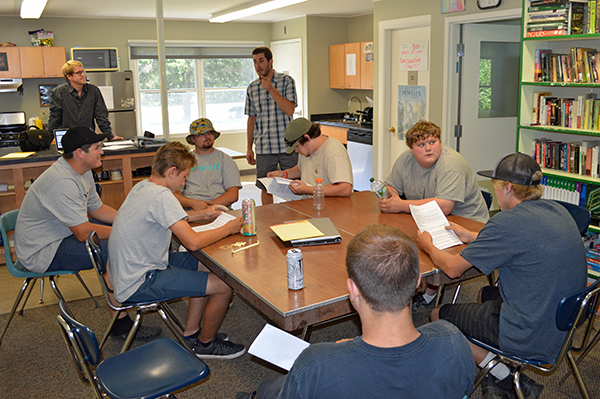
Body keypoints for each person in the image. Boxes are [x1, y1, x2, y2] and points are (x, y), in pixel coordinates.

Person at [417, 152, 587, 399]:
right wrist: (473, 236)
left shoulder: (508, 222)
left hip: (533, 331)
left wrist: (427, 244)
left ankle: (501, 374)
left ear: (508, 188)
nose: (496, 193)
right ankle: (499, 370)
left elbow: (452, 269)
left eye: (496, 187)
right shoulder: (556, 210)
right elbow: (524, 239)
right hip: (567, 319)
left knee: (437, 316)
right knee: (484, 295)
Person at [237, 225, 475, 399]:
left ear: (352, 289)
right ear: (417, 282)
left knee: (269, 390)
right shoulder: (453, 340)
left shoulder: (317, 365)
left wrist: (339, 354)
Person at [14, 126, 159, 341]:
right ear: (80, 153)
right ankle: (120, 324)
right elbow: (83, 232)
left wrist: (128, 221)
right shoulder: (62, 181)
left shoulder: (81, 171)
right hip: (43, 250)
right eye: (97, 147)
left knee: (118, 239)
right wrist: (124, 233)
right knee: (115, 248)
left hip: (61, 234)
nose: (102, 151)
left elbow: (96, 210)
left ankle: (130, 295)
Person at [108, 141, 246, 359]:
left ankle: (192, 335)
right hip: (140, 280)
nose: (184, 183)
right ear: (172, 172)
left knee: (206, 265)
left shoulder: (144, 187)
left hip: (130, 269)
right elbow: (193, 242)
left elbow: (163, 216)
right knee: (224, 285)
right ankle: (206, 345)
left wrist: (201, 215)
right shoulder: (163, 196)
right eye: (184, 177)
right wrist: (229, 228)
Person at [380, 120, 489, 310]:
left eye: (433, 142)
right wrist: (391, 195)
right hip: (429, 219)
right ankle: (411, 287)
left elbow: (445, 206)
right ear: (411, 149)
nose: (428, 148)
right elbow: (391, 186)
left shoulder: (452, 163)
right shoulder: (405, 160)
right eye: (421, 145)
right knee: (396, 240)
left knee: (423, 246)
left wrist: (401, 204)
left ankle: (429, 292)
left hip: (467, 224)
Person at [245, 46, 297, 205]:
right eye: (255, 62)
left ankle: (297, 217)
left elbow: (289, 110)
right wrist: (249, 147)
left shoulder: (286, 81)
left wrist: (271, 89)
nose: (258, 65)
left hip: (287, 146)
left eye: (261, 61)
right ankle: (269, 218)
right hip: (264, 147)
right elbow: (251, 119)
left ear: (270, 61)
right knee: (265, 187)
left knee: (294, 184)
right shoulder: (252, 88)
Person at [267, 117, 353, 197]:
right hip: (310, 203)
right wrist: (284, 174)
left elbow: (345, 189)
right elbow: (302, 168)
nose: (296, 151)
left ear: (307, 138)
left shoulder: (333, 152)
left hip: (329, 207)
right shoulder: (307, 149)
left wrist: (308, 190)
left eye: (297, 147)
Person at [174, 118, 241, 211]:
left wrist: (208, 207)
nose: (207, 137)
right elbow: (176, 194)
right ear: (193, 139)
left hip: (219, 209)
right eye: (201, 134)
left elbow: (233, 194)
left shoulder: (225, 160)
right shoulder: (184, 161)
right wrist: (193, 203)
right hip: (191, 210)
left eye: (210, 133)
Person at [48, 60, 123, 141]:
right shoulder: (59, 92)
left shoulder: (93, 90)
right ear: (69, 76)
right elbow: (55, 118)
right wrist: (47, 139)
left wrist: (110, 135)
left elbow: (101, 115)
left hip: (88, 137)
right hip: (67, 139)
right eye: (78, 73)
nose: (83, 75)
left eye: (83, 71)